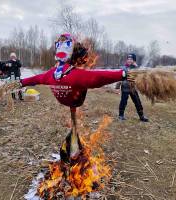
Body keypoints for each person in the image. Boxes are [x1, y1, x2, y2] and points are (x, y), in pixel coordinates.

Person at [18, 33, 134, 163]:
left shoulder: (56, 74)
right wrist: (122, 74)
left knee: (76, 98)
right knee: (81, 86)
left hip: (68, 98)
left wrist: (22, 82)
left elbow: (36, 79)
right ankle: (73, 149)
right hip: (73, 98)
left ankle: (73, 145)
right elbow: (98, 77)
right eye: (60, 45)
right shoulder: (69, 75)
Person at [118, 53, 149, 122]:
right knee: (123, 102)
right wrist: (117, 86)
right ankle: (121, 115)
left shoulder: (136, 68)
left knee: (137, 102)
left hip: (133, 88)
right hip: (125, 87)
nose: (129, 60)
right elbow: (119, 77)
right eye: (128, 59)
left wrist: (136, 67)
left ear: (134, 60)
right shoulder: (124, 68)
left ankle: (141, 116)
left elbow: (139, 76)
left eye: (131, 59)